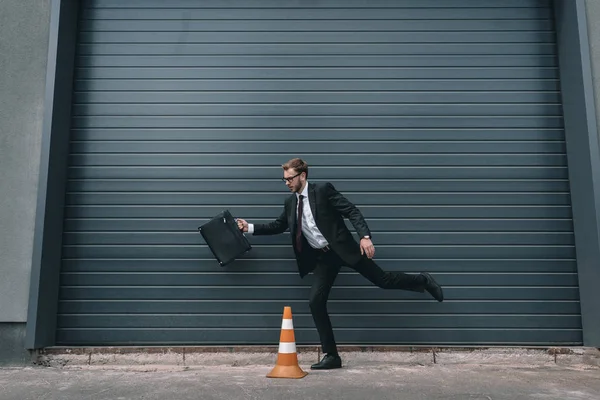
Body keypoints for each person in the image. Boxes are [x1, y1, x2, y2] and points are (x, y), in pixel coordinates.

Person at [236, 158, 443, 370]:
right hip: (323, 258)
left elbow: (351, 210)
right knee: (315, 302)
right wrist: (249, 227)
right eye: (284, 179)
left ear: (303, 176)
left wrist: (364, 236)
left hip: (345, 250)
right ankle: (332, 355)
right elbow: (279, 225)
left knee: (383, 280)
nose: (287, 183)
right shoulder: (291, 203)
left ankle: (423, 279)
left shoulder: (323, 191)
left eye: (290, 178)